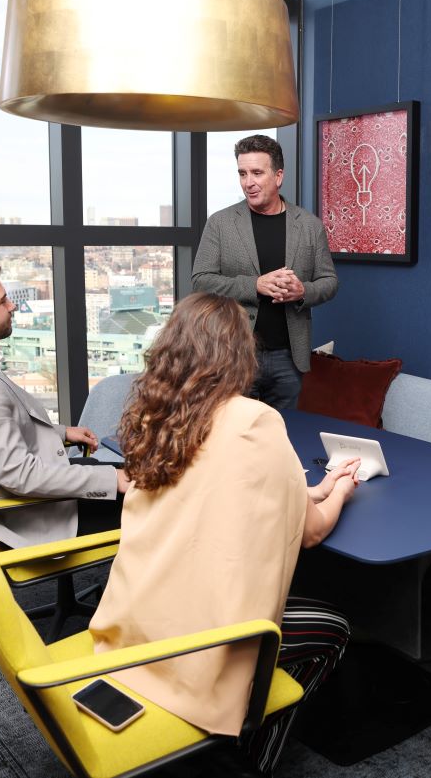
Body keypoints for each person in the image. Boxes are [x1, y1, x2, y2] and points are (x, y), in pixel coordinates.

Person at [88, 293, 360, 776]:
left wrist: (312, 488)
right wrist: (342, 491)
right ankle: (247, 754)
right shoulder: (253, 419)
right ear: (239, 354)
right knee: (334, 628)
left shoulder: (156, 414)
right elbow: (312, 534)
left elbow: (213, 490)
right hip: (200, 644)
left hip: (136, 622)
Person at [0, 257, 128, 548]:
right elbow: (21, 476)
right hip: (40, 516)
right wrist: (110, 480)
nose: (12, 306)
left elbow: (4, 424)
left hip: (41, 484)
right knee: (161, 505)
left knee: (136, 472)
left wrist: (62, 432)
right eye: (3, 302)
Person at [192, 134, 338, 410]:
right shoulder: (220, 224)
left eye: (257, 173)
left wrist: (303, 291)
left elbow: (329, 281)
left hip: (289, 357)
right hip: (234, 355)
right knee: (233, 438)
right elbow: (200, 281)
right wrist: (255, 285)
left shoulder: (309, 226)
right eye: (243, 173)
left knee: (284, 436)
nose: (249, 182)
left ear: (278, 176)